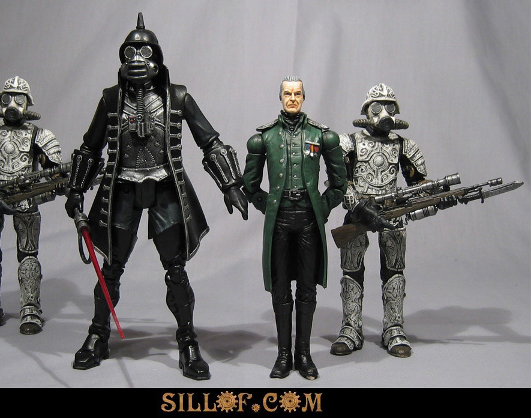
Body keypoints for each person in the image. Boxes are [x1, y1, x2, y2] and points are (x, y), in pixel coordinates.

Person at [64, 13, 248, 380]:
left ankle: (187, 340)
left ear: (158, 59)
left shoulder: (177, 97)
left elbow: (208, 139)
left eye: (144, 52)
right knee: (111, 267)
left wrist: (230, 183)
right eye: (129, 52)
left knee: (176, 270)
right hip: (122, 189)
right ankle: (98, 334)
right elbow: (90, 147)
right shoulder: (111, 99)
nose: (136, 59)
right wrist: (76, 187)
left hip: (166, 188)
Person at [242, 76, 347, 380]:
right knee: (279, 288)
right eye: (287, 93)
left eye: (297, 93)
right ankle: (283, 355)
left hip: (308, 221)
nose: (292, 98)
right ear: (280, 97)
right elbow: (250, 185)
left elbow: (339, 183)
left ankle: (304, 354)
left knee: (307, 287)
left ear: (303, 97)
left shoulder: (321, 136)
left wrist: (322, 208)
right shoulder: (264, 138)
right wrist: (269, 206)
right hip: (280, 221)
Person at [330, 83, 427, 358]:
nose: (383, 112)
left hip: (392, 214)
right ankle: (351, 327)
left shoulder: (404, 145)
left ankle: (394, 327)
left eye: (389, 107)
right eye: (377, 106)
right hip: (358, 213)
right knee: (351, 271)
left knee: (394, 271)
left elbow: (418, 184)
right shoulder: (349, 143)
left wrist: (430, 198)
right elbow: (339, 182)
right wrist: (359, 206)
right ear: (366, 111)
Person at [0, 76, 63, 335]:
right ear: (0, 101)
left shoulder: (39, 135)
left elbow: (55, 172)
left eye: (19, 99)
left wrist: (59, 186)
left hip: (25, 199)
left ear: (28, 104)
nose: (13, 104)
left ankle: (30, 308)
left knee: (28, 254)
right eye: (7, 98)